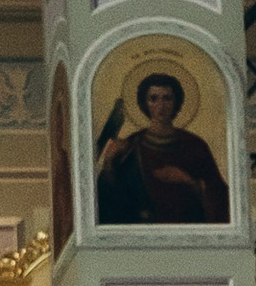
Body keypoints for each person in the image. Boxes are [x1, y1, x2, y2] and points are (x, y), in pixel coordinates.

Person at [94, 71, 233, 227]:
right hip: (143, 232)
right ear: (144, 103)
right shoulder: (132, 145)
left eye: (167, 98)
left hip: (187, 230)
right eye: (153, 98)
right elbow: (110, 201)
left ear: (176, 102)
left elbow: (221, 198)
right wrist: (109, 162)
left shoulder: (194, 145)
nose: (161, 105)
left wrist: (187, 180)